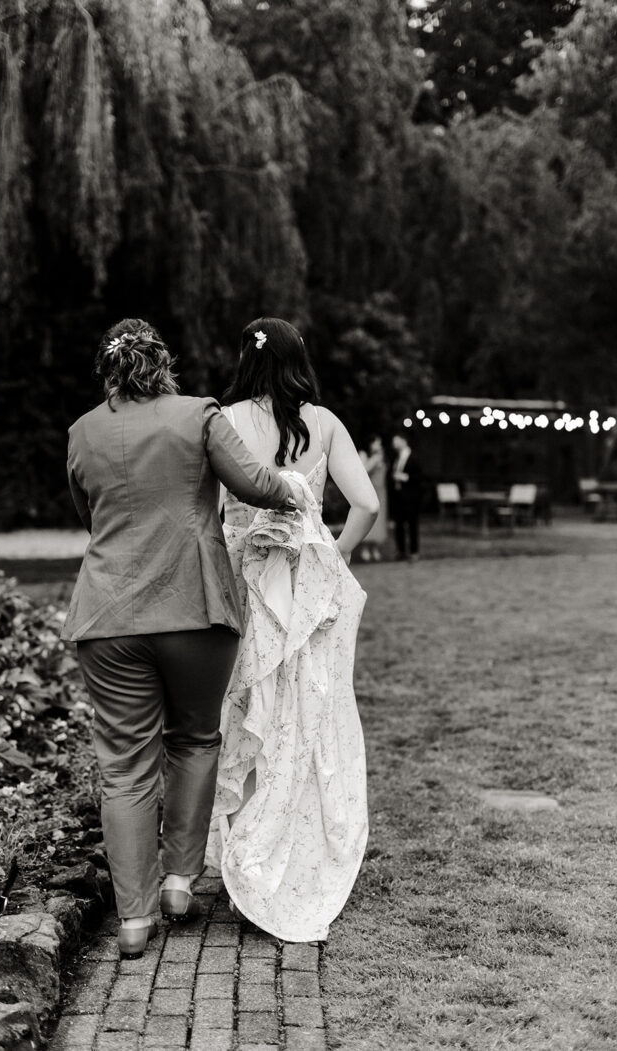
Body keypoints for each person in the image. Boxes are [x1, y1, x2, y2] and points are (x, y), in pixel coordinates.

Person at [62, 317, 301, 959]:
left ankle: (134, 923)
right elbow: (256, 484)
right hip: (194, 608)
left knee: (123, 770)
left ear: (108, 370)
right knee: (194, 739)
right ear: (162, 363)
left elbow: (91, 516)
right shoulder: (199, 414)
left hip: (108, 617)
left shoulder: (82, 432)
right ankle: (177, 880)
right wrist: (296, 491)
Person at [205, 317, 379, 942]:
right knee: (303, 714)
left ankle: (240, 852)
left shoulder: (220, 419)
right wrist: (332, 553)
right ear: (298, 361)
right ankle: (280, 844)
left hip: (238, 581)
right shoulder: (324, 423)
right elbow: (368, 505)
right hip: (303, 591)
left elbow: (210, 511)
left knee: (246, 706)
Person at [389, 433, 422, 562]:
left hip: (411, 497)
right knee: (399, 524)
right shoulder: (396, 458)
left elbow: (419, 477)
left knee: (412, 524)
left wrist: (404, 477)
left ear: (404, 441)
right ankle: (401, 551)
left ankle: (414, 551)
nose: (394, 444)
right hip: (398, 496)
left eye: (396, 441)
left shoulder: (414, 457)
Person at [358, 437, 388, 561]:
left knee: (379, 520)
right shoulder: (367, 456)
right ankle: (365, 548)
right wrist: (375, 459)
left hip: (381, 492)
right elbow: (364, 470)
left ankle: (375, 548)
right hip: (371, 491)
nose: (379, 445)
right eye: (376, 442)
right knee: (368, 518)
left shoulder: (381, 457)